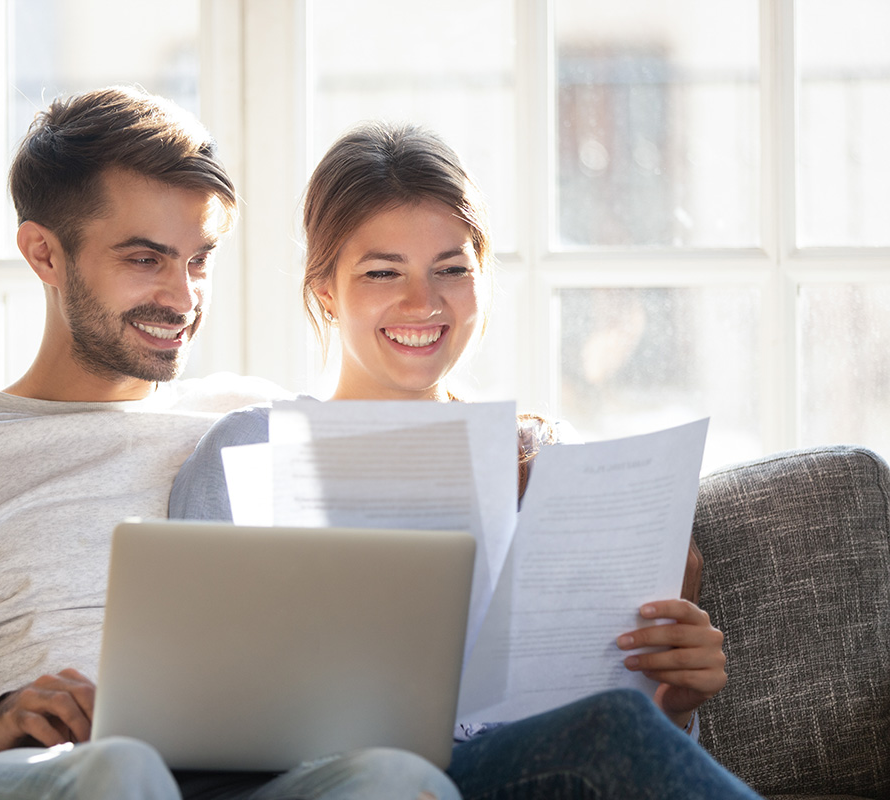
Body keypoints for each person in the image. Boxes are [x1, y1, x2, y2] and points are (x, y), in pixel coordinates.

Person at [0, 88, 460, 800]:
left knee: (394, 777)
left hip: (236, 776)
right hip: (23, 772)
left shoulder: (253, 421)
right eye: (145, 260)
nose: (184, 299)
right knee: (121, 769)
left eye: (200, 260)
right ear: (44, 253)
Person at [169, 121, 761, 799]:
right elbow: (191, 717)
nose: (423, 302)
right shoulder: (248, 451)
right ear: (326, 290)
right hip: (334, 784)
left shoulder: (551, 459)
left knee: (615, 724)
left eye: (452, 269)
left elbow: (623, 750)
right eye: (382, 272)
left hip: (522, 777)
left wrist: (676, 697)